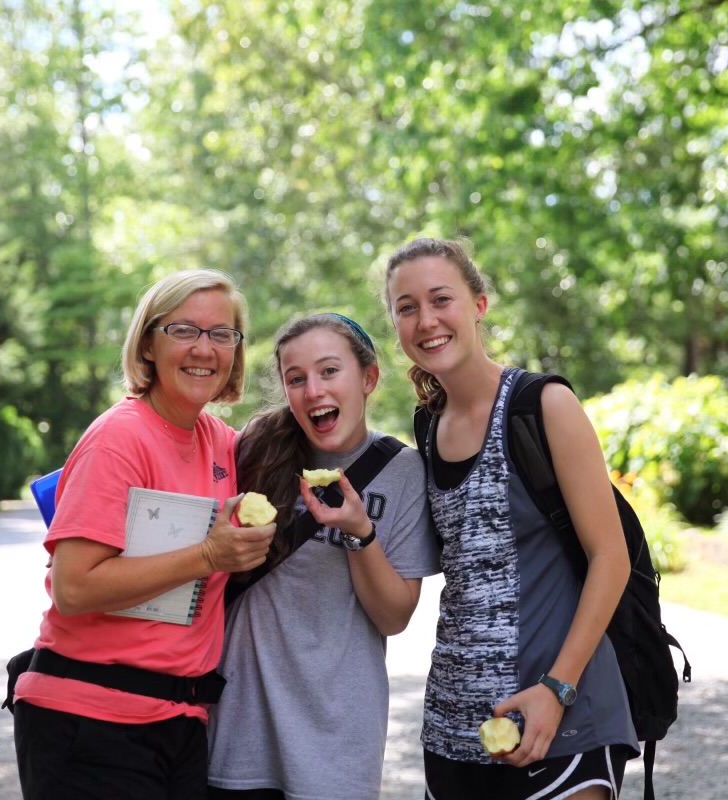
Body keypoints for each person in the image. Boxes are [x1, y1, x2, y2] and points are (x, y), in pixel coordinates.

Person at [383, 237, 640, 800]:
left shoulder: (543, 405)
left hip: (560, 723)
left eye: (441, 299)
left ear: (478, 305)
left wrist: (557, 688)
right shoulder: (427, 425)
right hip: (452, 731)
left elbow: (611, 558)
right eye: (407, 307)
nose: (426, 320)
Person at [12, 269, 276, 800]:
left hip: (179, 720)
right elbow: (73, 588)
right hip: (91, 721)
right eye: (184, 330)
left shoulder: (222, 443)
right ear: (148, 345)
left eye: (221, 334)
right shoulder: (119, 438)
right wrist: (208, 555)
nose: (204, 348)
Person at [207, 312, 441, 800]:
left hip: (338, 740)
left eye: (330, 371)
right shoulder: (253, 452)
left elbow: (394, 617)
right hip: (238, 732)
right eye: (296, 379)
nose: (313, 390)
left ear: (368, 378)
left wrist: (359, 532)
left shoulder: (402, 470)